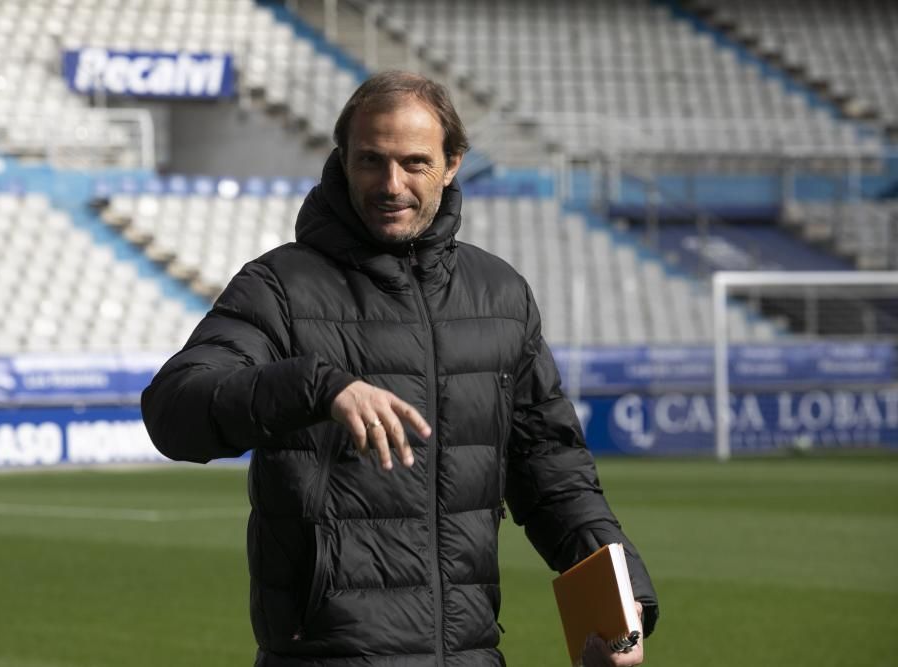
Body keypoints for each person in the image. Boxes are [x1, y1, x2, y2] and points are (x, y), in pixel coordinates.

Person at [141, 70, 658, 666]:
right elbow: (174, 410)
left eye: (414, 163)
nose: (391, 184)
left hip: (469, 656)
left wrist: (626, 604)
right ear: (343, 161)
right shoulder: (278, 288)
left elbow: (554, 471)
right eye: (371, 161)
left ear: (453, 162)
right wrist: (316, 385)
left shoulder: (501, 296)